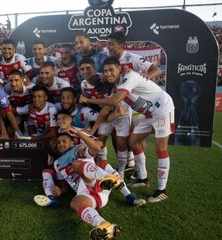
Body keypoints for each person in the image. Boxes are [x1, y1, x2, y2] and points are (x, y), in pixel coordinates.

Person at [79, 57, 175, 202]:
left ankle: (162, 190)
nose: (108, 73)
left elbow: (113, 101)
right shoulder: (116, 84)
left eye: (112, 70)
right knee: (133, 142)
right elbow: (107, 106)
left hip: (162, 109)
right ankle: (143, 178)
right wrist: (93, 131)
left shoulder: (129, 77)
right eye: (105, 71)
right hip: (148, 113)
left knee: (160, 149)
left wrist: (88, 100)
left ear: (119, 69)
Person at [107, 31, 164, 171]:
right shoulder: (108, 60)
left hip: (138, 104)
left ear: (121, 45)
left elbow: (157, 70)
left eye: (111, 44)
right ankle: (129, 165)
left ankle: (139, 169)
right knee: (120, 137)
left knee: (137, 139)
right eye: (107, 44)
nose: (108, 47)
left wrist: (146, 77)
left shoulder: (132, 58)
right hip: (121, 104)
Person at [53, 130, 123, 239]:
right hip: (91, 195)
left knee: (76, 164)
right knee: (75, 203)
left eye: (64, 141)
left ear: (72, 143)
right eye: (58, 142)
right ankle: (104, 225)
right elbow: (64, 185)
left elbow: (95, 148)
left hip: (99, 182)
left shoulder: (79, 149)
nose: (61, 144)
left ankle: (108, 178)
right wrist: (60, 190)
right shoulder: (57, 164)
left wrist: (78, 133)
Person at [2, 69, 34, 138]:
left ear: (22, 80)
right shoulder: (6, 89)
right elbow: (4, 109)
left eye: (16, 80)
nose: (13, 84)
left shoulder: (31, 88)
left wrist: (16, 110)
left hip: (30, 113)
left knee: (32, 135)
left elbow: (35, 106)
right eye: (11, 81)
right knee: (12, 133)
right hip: (15, 114)